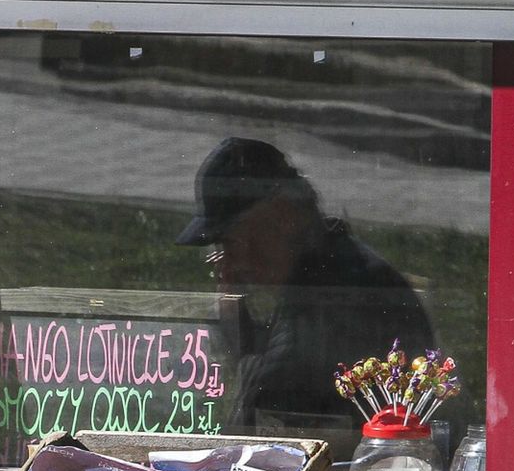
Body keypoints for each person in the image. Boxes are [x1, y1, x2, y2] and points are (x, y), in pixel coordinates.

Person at [177, 137, 435, 438]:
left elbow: (263, 409)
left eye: (233, 242)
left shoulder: (337, 294)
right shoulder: (323, 271)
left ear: (283, 216)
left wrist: (233, 320)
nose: (231, 264)